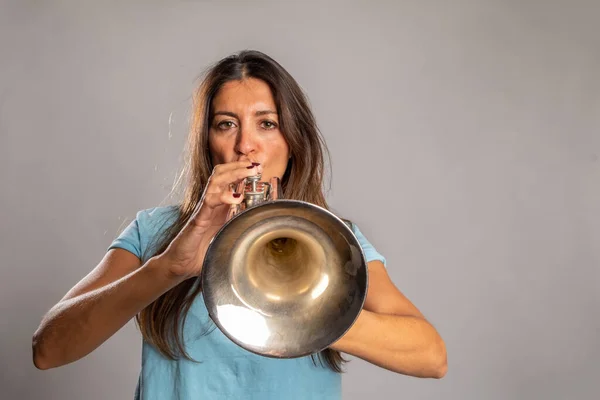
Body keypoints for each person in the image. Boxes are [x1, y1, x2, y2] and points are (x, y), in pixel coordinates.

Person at [32, 50, 447, 399]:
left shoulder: (332, 240)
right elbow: (47, 350)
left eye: (266, 123)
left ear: (292, 140)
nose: (245, 144)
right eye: (226, 124)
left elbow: (431, 356)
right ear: (208, 141)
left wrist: (305, 313)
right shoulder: (154, 232)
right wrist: (168, 268)